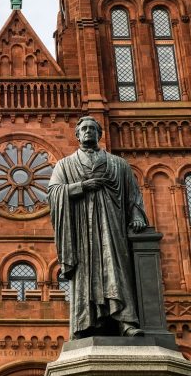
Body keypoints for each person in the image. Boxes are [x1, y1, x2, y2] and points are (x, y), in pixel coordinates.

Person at [49, 116, 148, 338]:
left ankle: (126, 322)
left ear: (99, 134)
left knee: (116, 269)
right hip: (81, 230)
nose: (88, 132)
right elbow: (54, 192)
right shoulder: (64, 165)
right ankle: (86, 324)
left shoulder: (118, 164)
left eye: (93, 129)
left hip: (111, 227)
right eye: (83, 128)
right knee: (85, 273)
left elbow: (134, 195)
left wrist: (137, 216)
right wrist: (82, 187)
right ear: (77, 135)